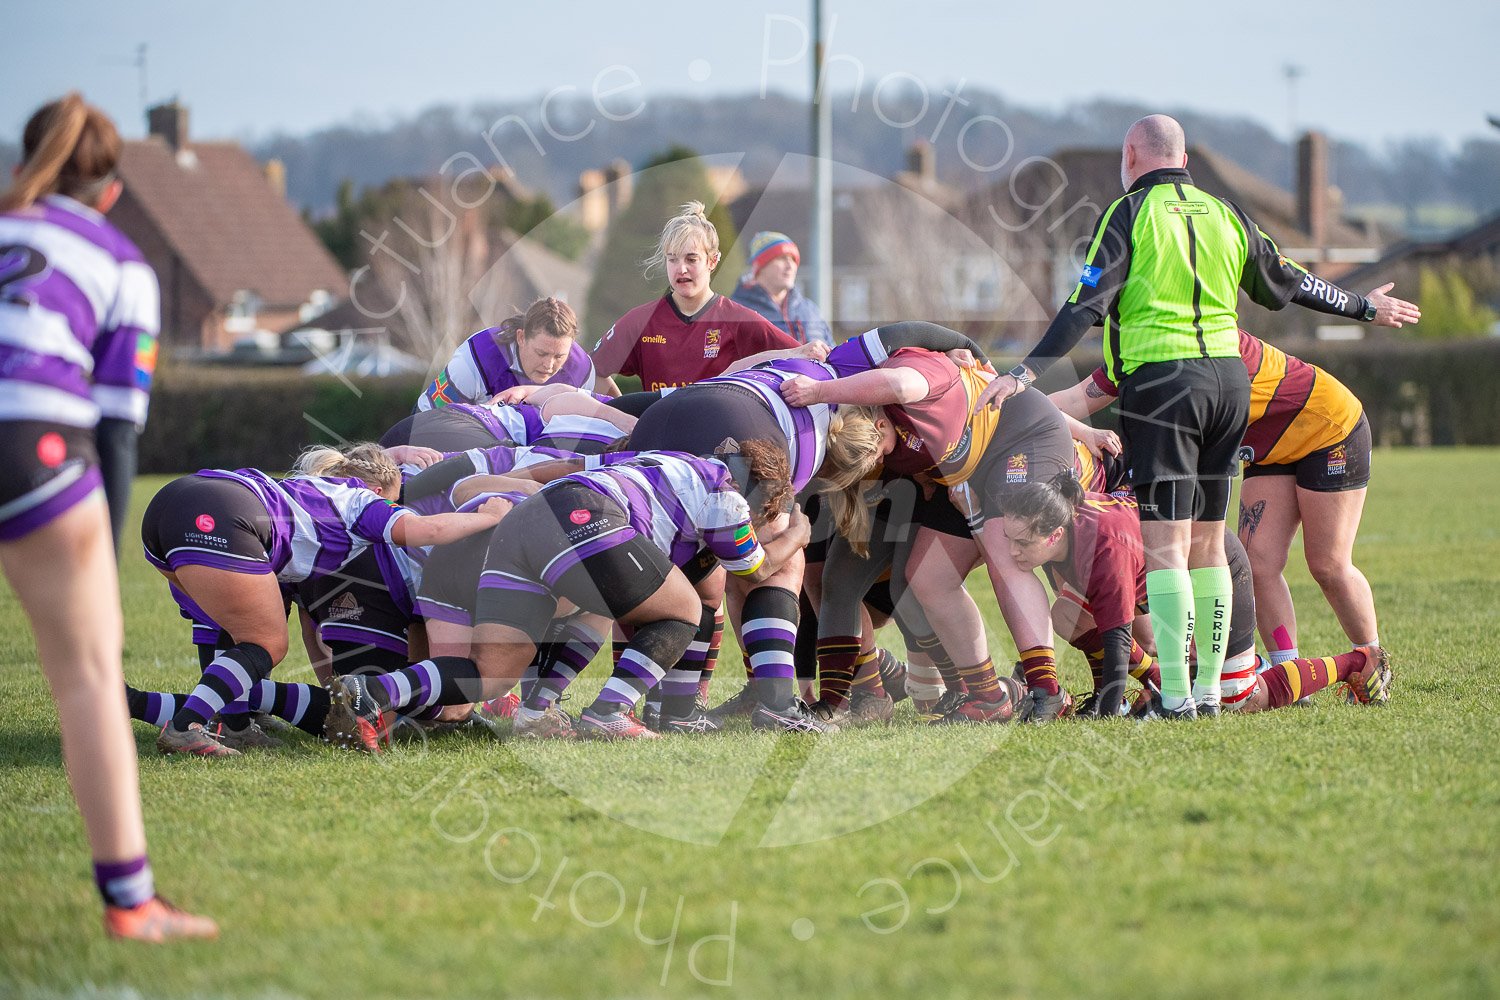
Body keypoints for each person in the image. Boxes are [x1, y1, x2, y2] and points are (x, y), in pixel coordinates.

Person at [976, 113, 1419, 718]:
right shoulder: (1225, 213)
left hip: (1165, 387)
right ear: (1183, 160)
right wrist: (1364, 307)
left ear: (1131, 157)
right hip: (1229, 385)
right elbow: (1287, 281)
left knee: (1168, 548)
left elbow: (1084, 305)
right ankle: (1209, 692)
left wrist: (1025, 373)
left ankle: (1178, 697)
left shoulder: (1128, 213)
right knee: (1210, 544)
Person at [0, 94, 216, 942]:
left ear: (25, 166)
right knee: (87, 680)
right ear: (113, 190)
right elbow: (118, 426)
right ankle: (132, 904)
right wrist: (108, 551)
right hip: (38, 443)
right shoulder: (123, 262)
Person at [325, 445, 812, 742]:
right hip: (580, 516)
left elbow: (566, 467)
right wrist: (796, 535)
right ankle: (608, 713)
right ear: (761, 496)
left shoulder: (667, 460)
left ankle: (373, 691)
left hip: (524, 523)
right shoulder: (728, 495)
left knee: (491, 675)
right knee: (683, 607)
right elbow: (754, 568)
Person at [139, 444, 513, 757]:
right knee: (266, 644)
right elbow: (426, 529)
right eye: (393, 501)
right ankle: (186, 726)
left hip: (172, 504)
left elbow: (295, 622)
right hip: (222, 515)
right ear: (377, 491)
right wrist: (489, 516)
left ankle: (229, 723)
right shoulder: (361, 501)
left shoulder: (309, 491)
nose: (394, 507)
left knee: (237, 631)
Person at [1049, 329, 1381, 672]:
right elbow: (1074, 400)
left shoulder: (1205, 336)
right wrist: (1019, 401)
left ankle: (1372, 662)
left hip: (1328, 427)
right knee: (1259, 564)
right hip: (1269, 447)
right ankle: (1288, 672)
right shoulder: (1138, 346)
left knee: (1328, 565)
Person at [998, 474, 1391, 717]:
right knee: (1068, 614)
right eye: (1009, 540)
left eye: (1021, 543)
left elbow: (1117, 641)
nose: (1011, 552)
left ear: (1055, 535)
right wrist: (1108, 696)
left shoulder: (1102, 549)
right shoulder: (1064, 523)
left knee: (1240, 697)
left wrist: (1104, 715)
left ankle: (1357, 662)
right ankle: (1161, 683)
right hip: (1168, 576)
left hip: (1214, 566)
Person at [591, 201, 804, 392]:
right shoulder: (641, 321)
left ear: (712, 261)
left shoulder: (738, 320)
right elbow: (591, 371)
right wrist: (621, 415)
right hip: (659, 425)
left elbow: (801, 359)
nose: (681, 269)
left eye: (691, 259)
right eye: (672, 259)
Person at [415, 297, 599, 411]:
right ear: (521, 337)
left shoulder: (581, 369)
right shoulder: (478, 357)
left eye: (559, 356)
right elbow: (426, 417)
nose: (549, 365)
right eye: (541, 353)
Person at [731, 231, 833, 347]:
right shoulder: (735, 312)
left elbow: (833, 353)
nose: (790, 266)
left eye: (793, 259)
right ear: (760, 267)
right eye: (782, 258)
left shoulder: (810, 310)